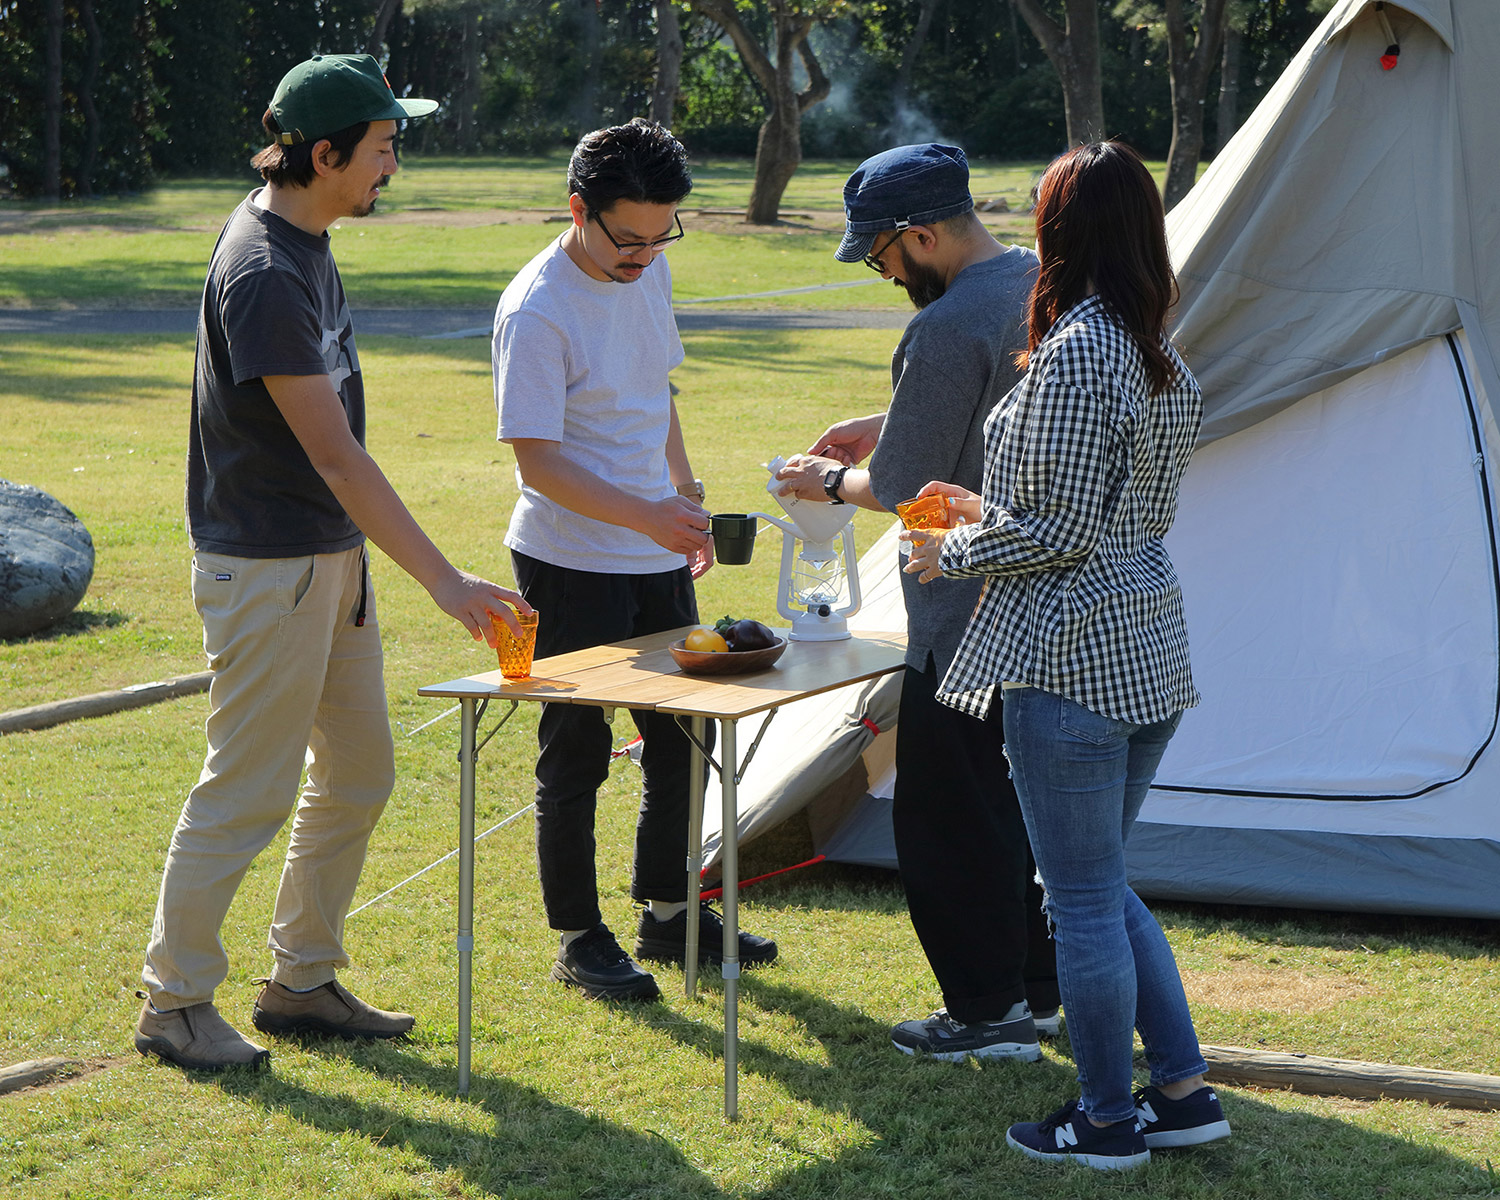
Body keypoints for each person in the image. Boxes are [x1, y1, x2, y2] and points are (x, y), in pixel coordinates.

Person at [135, 54, 533, 1073]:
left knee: (358, 773)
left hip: (325, 560)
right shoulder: (265, 271)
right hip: (271, 567)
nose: (393, 165)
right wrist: (445, 581)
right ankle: (174, 1003)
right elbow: (333, 453)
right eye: (383, 146)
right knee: (247, 788)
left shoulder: (304, 234)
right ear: (324, 154)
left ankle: (301, 981)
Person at [904, 141, 1231, 1170]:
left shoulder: (1083, 347)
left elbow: (1058, 537)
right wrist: (985, 509)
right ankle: (1180, 1093)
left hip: (1071, 658)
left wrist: (946, 547)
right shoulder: (1156, 348)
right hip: (1146, 644)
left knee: (1080, 896)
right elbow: (1084, 510)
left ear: (1061, 231)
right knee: (1101, 883)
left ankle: (1103, 1120)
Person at [772, 143, 1059, 1063]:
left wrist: (830, 475)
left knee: (947, 823)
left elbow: (901, 484)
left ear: (924, 235)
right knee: (1020, 814)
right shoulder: (1043, 284)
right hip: (1048, 606)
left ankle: (985, 1013)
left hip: (961, 613)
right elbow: (976, 424)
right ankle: (1041, 993)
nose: (883, 271)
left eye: (883, 254)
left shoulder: (942, 327)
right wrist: (887, 416)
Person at [492, 118, 776, 1003]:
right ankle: (579, 937)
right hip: (568, 560)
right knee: (574, 754)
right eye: (628, 239)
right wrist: (649, 518)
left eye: (662, 238)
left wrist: (682, 495)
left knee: (682, 738)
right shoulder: (536, 309)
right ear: (578, 210)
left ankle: (668, 911)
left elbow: (657, 390)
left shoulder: (646, 270)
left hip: (652, 545)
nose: (645, 256)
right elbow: (537, 461)